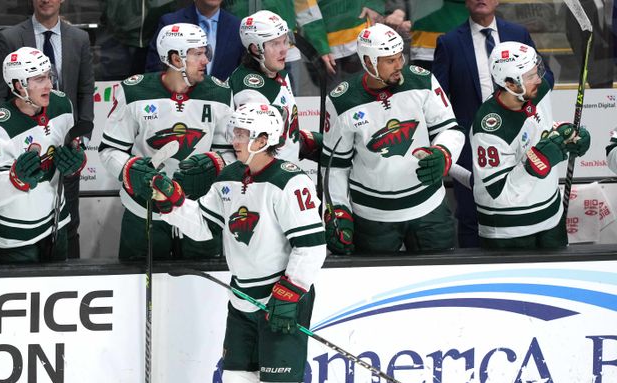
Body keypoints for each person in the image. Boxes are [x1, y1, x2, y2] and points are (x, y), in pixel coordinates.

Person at [130, 102, 368, 383]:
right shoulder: (228, 179)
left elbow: (311, 245)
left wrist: (290, 294)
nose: (233, 139)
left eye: (241, 134)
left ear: (262, 140)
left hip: (282, 298)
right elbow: (204, 224)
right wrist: (172, 200)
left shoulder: (290, 182)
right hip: (242, 296)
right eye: (235, 132)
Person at [322, 23, 464, 254]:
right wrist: (339, 210)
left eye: (400, 57)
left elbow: (451, 129)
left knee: (440, 282)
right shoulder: (342, 101)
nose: (399, 65)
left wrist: (442, 153)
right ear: (368, 61)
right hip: (372, 217)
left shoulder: (422, 81)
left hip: (428, 207)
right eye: (390, 60)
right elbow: (335, 167)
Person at [99, 23, 234, 260]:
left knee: (200, 288)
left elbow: (232, 153)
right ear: (175, 58)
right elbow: (110, 149)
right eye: (197, 54)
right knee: (137, 288)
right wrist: (130, 170)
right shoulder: (135, 92)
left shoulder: (220, 94)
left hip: (199, 211)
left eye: (206, 52)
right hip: (144, 210)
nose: (205, 61)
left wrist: (217, 163)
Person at [433, 0, 554, 248]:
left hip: (521, 139)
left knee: (523, 207)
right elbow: (439, 101)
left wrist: (527, 111)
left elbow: (545, 77)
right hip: (473, 147)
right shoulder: (449, 42)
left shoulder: (518, 34)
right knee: (470, 216)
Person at [0, 0, 95, 259]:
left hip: (62, 141)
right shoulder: (10, 37)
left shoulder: (79, 38)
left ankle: (70, 279)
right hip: (22, 142)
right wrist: (18, 129)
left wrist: (79, 139)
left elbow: (85, 89)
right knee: (21, 211)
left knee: (68, 221)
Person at [470, 42, 589, 250]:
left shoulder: (536, 91)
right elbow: (500, 193)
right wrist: (535, 163)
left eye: (537, 71)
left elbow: (542, 127)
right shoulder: (489, 127)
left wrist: (564, 133)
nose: (540, 80)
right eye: (531, 76)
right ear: (510, 84)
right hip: (510, 232)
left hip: (552, 216)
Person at [0, 47, 85, 264]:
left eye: (48, 76)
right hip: (11, 236)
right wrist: (15, 179)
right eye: (39, 79)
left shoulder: (62, 104)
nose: (48, 85)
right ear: (19, 85)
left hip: (56, 222)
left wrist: (76, 161)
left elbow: (71, 149)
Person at [229, 10, 320, 165]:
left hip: (284, 170)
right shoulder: (250, 90)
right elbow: (255, 153)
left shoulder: (278, 73)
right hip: (267, 180)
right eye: (275, 43)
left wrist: (300, 139)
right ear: (255, 49)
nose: (284, 49)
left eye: (285, 41)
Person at [145, 0, 243, 82]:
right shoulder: (171, 23)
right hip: (180, 100)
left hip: (223, 101)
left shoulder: (237, 27)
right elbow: (155, 69)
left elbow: (242, 72)